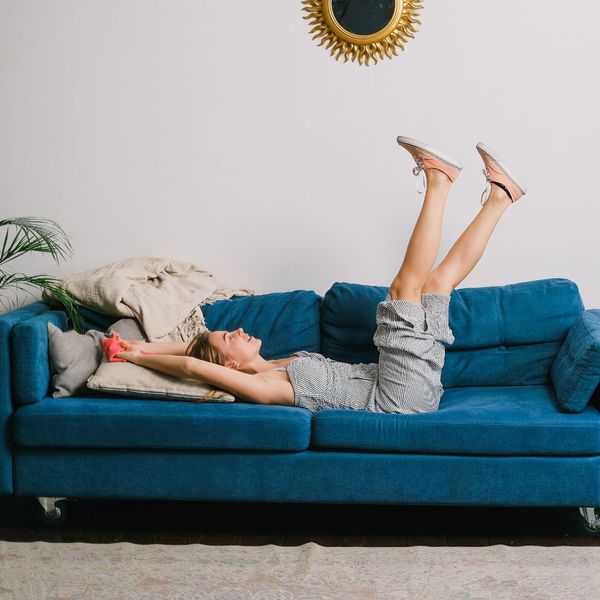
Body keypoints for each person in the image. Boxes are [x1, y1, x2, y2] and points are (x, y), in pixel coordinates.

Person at [116, 135, 527, 414]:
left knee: (437, 284)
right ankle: (439, 180)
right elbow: (193, 366)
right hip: (397, 397)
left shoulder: (275, 362)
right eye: (229, 338)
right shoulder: (266, 387)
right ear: (230, 367)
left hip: (405, 382)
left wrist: (133, 349)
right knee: (405, 288)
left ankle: (500, 197)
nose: (237, 330)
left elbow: (191, 350)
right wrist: (136, 356)